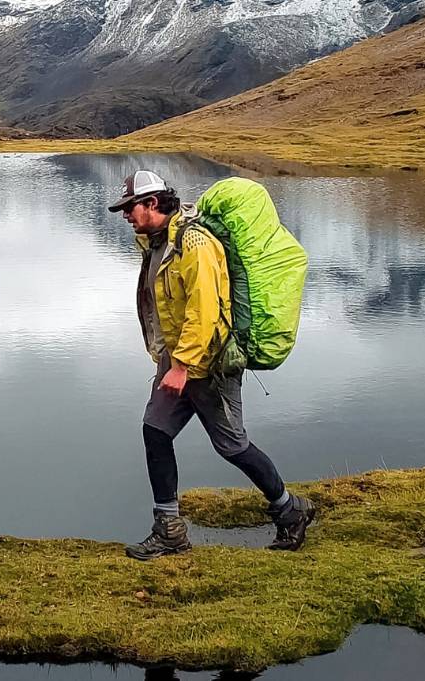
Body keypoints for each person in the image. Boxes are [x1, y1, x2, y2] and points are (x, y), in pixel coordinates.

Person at [108, 169, 315, 559]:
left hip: (209, 365)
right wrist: (170, 361)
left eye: (129, 208)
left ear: (151, 204)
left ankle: (290, 510)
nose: (125, 215)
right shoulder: (158, 243)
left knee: (232, 446)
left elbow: (205, 311)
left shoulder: (195, 244)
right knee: (155, 431)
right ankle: (169, 530)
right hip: (178, 361)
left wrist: (182, 366)